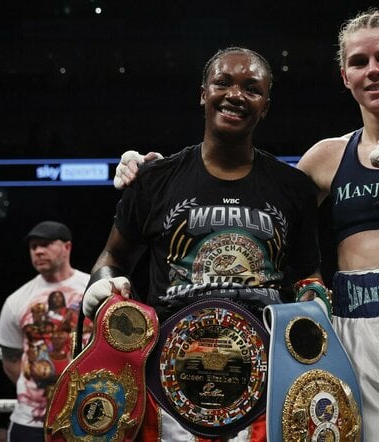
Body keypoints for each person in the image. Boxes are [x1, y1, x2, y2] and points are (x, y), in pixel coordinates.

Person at [114, 10, 379, 440]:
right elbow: (254, 194)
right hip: (353, 327)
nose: (373, 70)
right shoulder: (323, 158)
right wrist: (155, 177)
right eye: (359, 62)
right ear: (344, 75)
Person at [79, 47, 323, 441]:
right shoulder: (155, 179)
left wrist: (315, 301)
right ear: (203, 93)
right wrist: (102, 286)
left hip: (267, 380)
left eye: (252, 88)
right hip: (168, 378)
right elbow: (113, 256)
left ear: (266, 105)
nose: (236, 95)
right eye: (222, 82)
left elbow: (308, 274)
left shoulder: (292, 188)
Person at [0, 220, 90, 441]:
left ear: (67, 247)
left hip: (87, 414)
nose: (38, 251)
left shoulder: (92, 289)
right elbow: (11, 360)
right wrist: (39, 383)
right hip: (31, 419)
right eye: (33, 246)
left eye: (45, 244)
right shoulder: (17, 300)